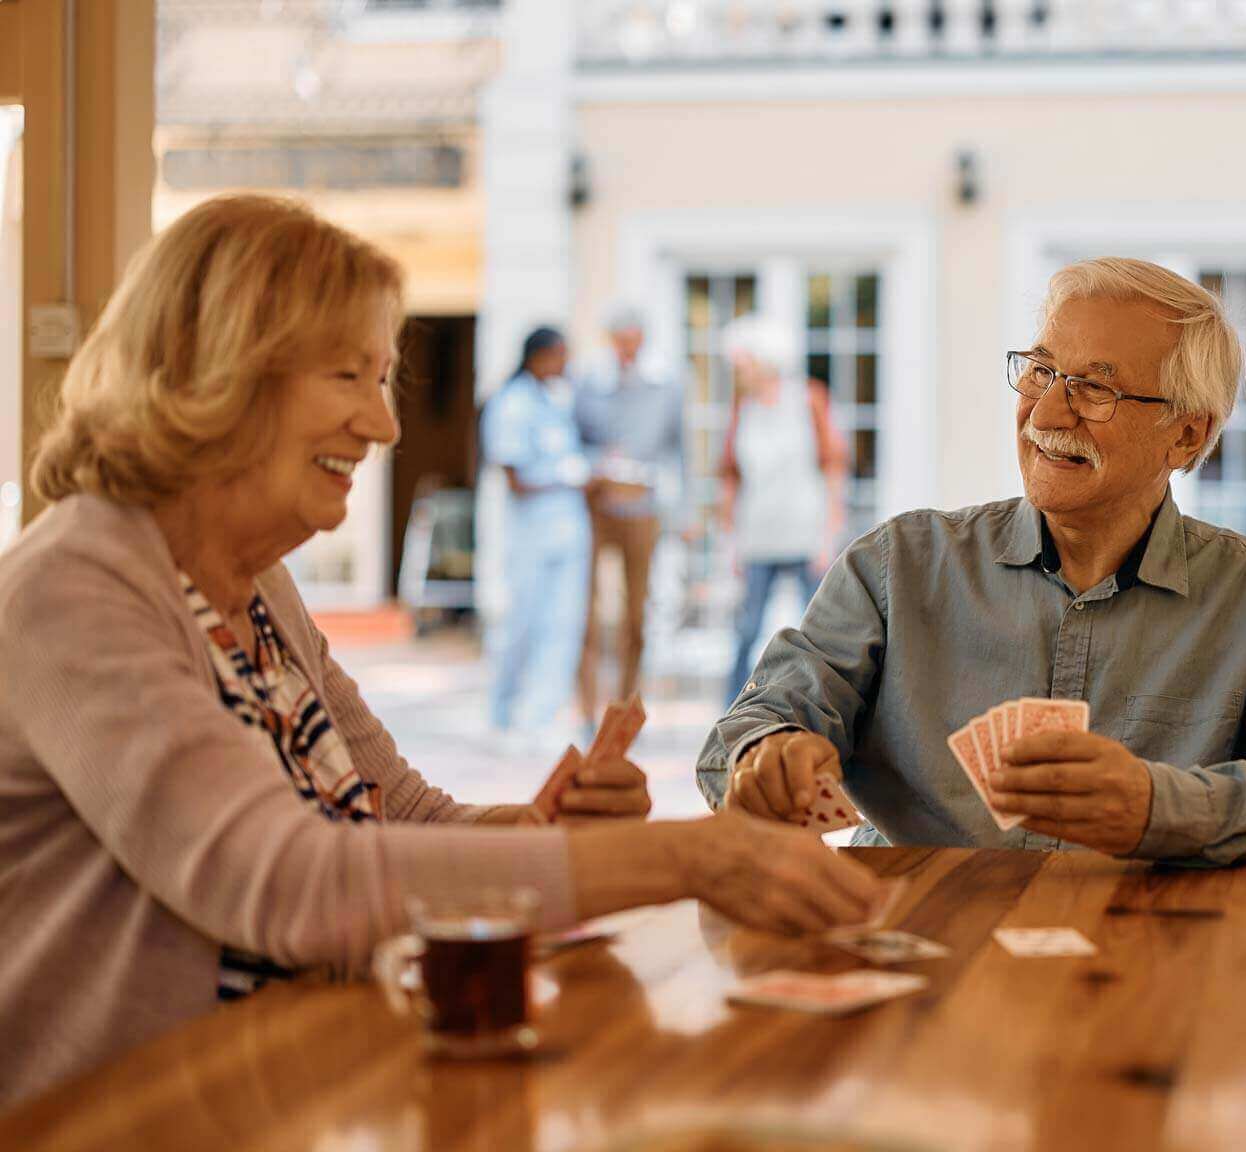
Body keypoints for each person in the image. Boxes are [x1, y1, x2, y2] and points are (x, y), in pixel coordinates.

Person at [0, 195, 882, 1106]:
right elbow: (288, 882)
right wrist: (684, 858)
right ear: (219, 371)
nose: (383, 427)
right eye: (349, 377)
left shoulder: (255, 581)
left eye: (382, 382)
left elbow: (400, 814)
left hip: (284, 1097)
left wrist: (541, 836)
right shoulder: (75, 585)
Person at [697, 259, 1246, 866]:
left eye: (1094, 389)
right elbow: (741, 737)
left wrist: (1156, 806)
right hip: (919, 953)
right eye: (1042, 371)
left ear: (1187, 433)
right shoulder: (895, 566)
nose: (1046, 411)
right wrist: (764, 757)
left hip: (1151, 957)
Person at [718, 314, 849, 703]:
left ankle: (829, 703)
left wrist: (830, 533)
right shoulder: (743, 408)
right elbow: (731, 476)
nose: (737, 373)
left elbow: (833, 467)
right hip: (757, 535)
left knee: (821, 627)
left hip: (805, 532)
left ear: (763, 362)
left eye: (742, 365)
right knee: (746, 630)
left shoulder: (809, 399)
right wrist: (731, 542)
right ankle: (733, 710)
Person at [573, 302, 683, 721]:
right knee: (587, 612)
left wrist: (684, 512)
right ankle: (585, 709)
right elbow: (574, 439)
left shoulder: (666, 386)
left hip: (643, 509)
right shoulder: (589, 383)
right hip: (596, 509)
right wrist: (596, 462)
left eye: (633, 343)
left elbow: (679, 451)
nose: (627, 351)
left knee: (636, 615)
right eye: (620, 343)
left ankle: (623, 709)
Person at [482, 326, 591, 740]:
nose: (566, 364)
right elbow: (513, 478)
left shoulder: (556, 401)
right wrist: (567, 479)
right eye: (561, 355)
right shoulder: (512, 404)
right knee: (521, 624)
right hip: (532, 535)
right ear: (539, 356)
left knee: (563, 625)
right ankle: (503, 711)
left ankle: (542, 717)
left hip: (569, 533)